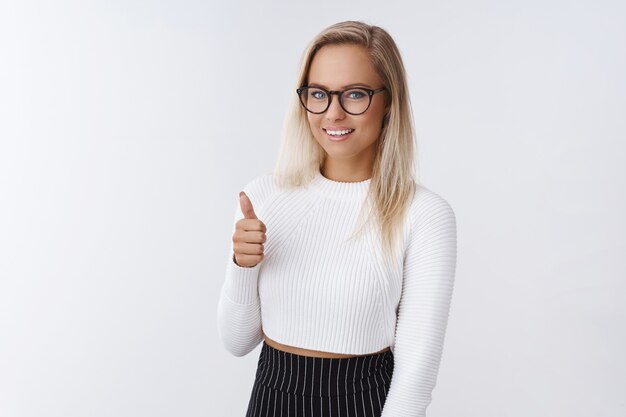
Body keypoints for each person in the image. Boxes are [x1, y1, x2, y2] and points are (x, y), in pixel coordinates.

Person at [217, 20, 458, 417]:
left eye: (355, 94)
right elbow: (236, 341)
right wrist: (243, 265)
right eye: (319, 94)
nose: (333, 113)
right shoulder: (264, 197)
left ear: (388, 102)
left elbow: (415, 378)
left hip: (363, 404)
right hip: (271, 400)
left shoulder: (424, 214)